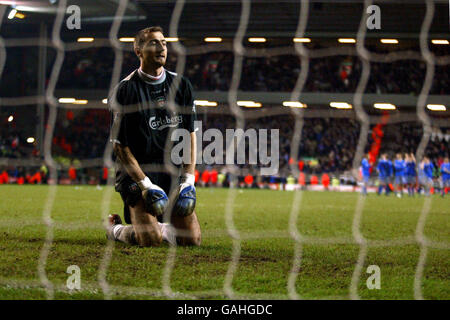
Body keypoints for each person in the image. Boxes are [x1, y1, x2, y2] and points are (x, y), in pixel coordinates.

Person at [107, 26, 201, 247]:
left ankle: (159, 226)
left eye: (164, 43)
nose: (161, 47)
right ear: (138, 51)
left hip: (170, 169)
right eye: (153, 43)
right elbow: (120, 147)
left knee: (192, 240)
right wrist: (146, 185)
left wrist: (189, 180)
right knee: (150, 241)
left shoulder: (182, 86)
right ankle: (116, 229)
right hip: (136, 173)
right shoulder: (125, 90)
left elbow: (190, 135)